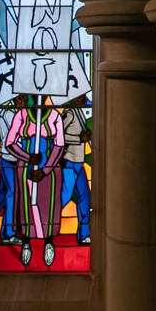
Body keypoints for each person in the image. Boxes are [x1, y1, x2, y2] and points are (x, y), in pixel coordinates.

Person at [4, 99, 65, 267]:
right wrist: (27, 157)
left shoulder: (54, 116)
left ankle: (49, 242)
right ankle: (26, 242)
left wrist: (46, 169)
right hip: (26, 168)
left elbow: (59, 145)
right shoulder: (21, 115)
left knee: (49, 205)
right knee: (24, 205)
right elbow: (9, 142)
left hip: (50, 168)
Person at [0, 95, 26, 245]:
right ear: (14, 98)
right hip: (7, 159)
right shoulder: (7, 114)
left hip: (15, 159)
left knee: (3, 192)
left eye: (25, 99)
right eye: (20, 99)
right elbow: (10, 141)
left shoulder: (20, 113)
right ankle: (7, 233)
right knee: (12, 193)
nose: (23, 102)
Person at [60, 95, 92, 245]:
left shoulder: (80, 112)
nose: (84, 99)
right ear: (74, 98)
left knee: (85, 197)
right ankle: (45, 225)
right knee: (64, 197)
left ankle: (84, 234)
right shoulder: (69, 113)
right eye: (81, 97)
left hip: (79, 162)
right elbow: (59, 136)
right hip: (69, 161)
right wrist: (79, 139)